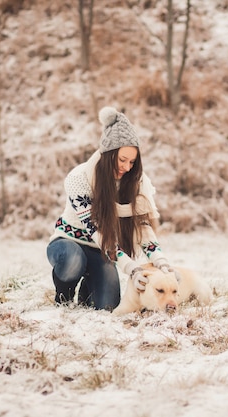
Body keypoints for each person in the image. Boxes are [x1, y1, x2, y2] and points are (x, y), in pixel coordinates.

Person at [46, 106, 176, 311]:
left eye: (132, 162)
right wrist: (130, 268)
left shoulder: (136, 182)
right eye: (122, 159)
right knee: (73, 261)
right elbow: (96, 229)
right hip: (68, 242)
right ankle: (64, 294)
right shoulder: (79, 178)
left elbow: (142, 228)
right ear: (108, 155)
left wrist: (161, 261)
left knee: (107, 305)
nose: (127, 167)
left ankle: (88, 288)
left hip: (102, 251)